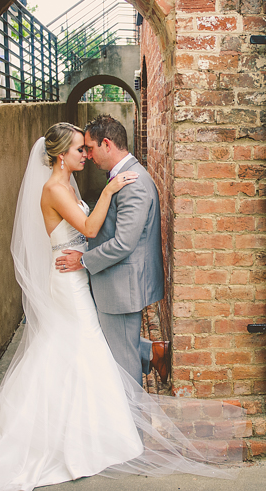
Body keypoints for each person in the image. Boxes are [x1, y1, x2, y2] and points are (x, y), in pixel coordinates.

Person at [0, 123, 245, 491]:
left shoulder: (90, 183)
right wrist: (108, 190)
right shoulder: (56, 188)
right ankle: (103, 426)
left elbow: (106, 236)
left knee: (89, 347)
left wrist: (88, 250)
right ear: (62, 155)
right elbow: (91, 230)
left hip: (82, 275)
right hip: (68, 279)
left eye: (88, 148)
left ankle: (115, 413)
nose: (86, 155)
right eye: (80, 150)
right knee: (83, 346)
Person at [56, 115, 169, 386]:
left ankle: (132, 424)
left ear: (107, 144)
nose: (89, 156)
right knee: (116, 344)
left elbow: (123, 243)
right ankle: (151, 351)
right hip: (117, 283)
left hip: (121, 286)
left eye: (91, 148)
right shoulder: (123, 177)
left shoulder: (133, 184)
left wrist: (84, 261)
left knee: (122, 361)